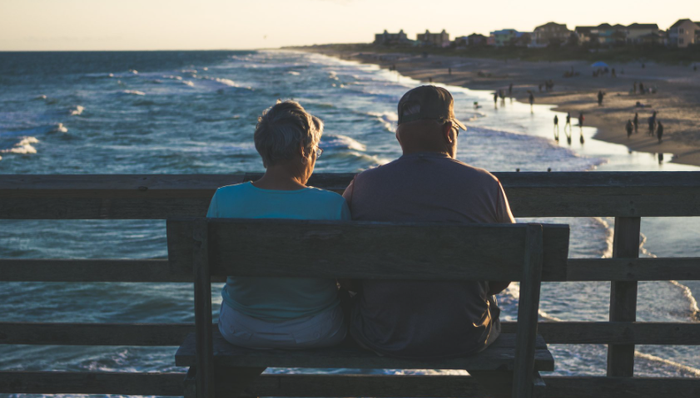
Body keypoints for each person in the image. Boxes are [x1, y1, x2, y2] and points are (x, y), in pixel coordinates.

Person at [342, 85, 514, 363]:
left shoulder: (360, 185)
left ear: (399, 136)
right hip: (465, 337)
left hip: (381, 335)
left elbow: (345, 272)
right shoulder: (486, 184)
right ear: (449, 133)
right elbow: (505, 272)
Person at [207, 100, 348, 349]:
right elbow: (349, 277)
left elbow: (216, 268)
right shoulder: (331, 205)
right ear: (302, 151)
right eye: (315, 150)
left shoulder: (223, 198)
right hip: (316, 330)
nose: (315, 157)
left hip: (240, 329)